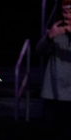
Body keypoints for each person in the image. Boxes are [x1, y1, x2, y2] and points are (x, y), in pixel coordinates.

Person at [37, 0, 71, 128]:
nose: (67, 16)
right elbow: (39, 51)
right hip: (53, 92)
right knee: (51, 135)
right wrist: (49, 37)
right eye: (64, 12)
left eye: (70, 12)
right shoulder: (56, 29)